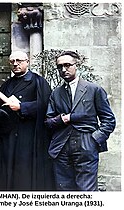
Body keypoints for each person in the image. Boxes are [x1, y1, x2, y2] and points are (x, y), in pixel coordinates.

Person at [45, 51, 116, 191]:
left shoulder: (93, 89)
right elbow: (48, 121)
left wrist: (94, 139)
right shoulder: (56, 93)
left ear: (76, 66)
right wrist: (64, 118)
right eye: (60, 67)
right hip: (62, 146)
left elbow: (109, 120)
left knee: (86, 190)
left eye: (67, 65)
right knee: (64, 190)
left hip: (86, 143)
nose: (63, 70)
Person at [0, 51, 54, 190]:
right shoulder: (7, 84)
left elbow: (46, 105)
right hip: (8, 136)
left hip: (28, 136)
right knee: (8, 169)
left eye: (19, 61)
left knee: (24, 171)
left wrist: (22, 107)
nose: (15, 64)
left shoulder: (38, 82)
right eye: (12, 61)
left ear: (27, 62)